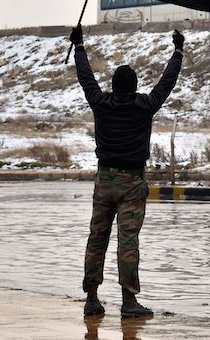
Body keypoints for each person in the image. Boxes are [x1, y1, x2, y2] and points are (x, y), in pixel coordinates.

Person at [70, 24, 184, 318]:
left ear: (114, 86)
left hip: (104, 180)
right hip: (132, 182)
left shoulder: (101, 103)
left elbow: (86, 79)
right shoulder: (145, 105)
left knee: (97, 238)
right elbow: (166, 83)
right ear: (134, 87)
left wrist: (80, 47)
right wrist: (178, 52)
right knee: (127, 241)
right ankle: (128, 302)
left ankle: (92, 300)